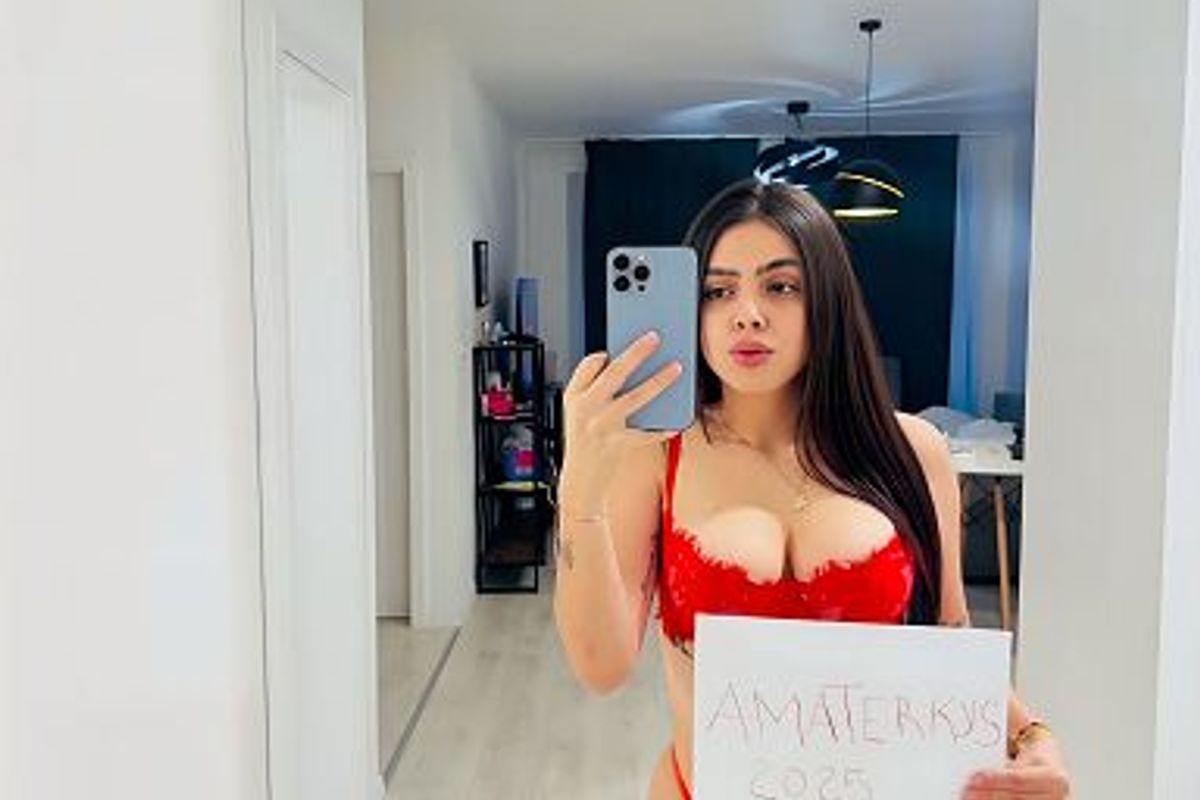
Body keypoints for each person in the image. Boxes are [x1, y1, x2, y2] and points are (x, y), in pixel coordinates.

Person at [552, 179, 1071, 800]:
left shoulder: (912, 451)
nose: (747, 313)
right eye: (718, 291)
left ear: (825, 300)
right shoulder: (658, 455)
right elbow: (601, 667)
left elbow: (945, 641)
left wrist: (1031, 735)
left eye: (780, 286)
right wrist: (579, 487)